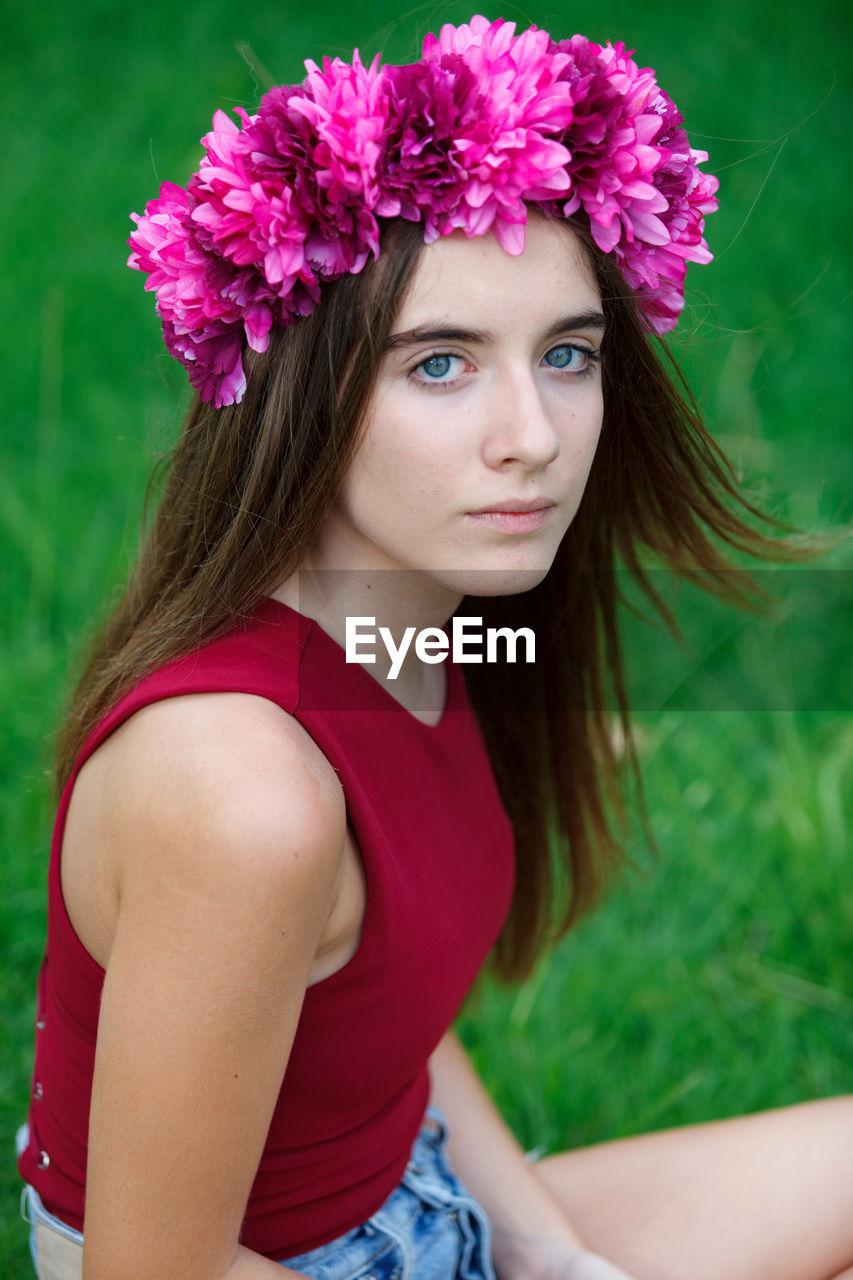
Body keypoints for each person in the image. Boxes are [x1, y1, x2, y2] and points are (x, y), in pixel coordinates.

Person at [16, 15, 853, 1280]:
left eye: (567, 353)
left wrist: (552, 1255)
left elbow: (376, 1026)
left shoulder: (403, 620)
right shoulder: (242, 796)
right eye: (443, 364)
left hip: (420, 1199)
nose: (533, 434)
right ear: (301, 391)